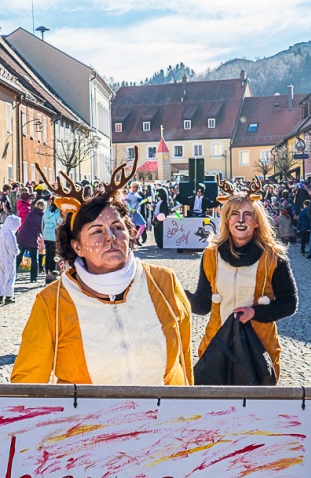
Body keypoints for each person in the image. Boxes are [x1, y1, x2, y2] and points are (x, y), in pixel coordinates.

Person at [12, 159, 193, 385]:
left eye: (117, 227)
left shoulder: (163, 282)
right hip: (87, 419)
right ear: (77, 246)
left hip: (164, 418)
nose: (110, 237)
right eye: (97, 231)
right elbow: (28, 386)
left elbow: (184, 361)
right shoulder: (52, 303)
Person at [189, 179, 298, 378]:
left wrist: (255, 312)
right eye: (234, 214)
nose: (241, 220)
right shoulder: (211, 255)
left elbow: (289, 303)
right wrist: (176, 293)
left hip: (258, 352)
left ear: (257, 222)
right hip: (216, 350)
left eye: (248, 215)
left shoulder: (273, 257)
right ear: (226, 219)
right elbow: (203, 304)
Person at [0, 202, 20, 305]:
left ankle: (0, 295)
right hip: (8, 258)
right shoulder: (9, 234)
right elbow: (13, 248)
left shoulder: (0, 232)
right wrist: (17, 251)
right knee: (9, 276)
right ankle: (9, 295)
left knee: (0, 277)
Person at [16, 198, 44, 283]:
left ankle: (13, 273)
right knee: (34, 259)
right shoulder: (42, 216)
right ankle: (33, 278)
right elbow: (41, 228)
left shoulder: (31, 213)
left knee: (19, 256)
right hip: (32, 238)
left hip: (23, 236)